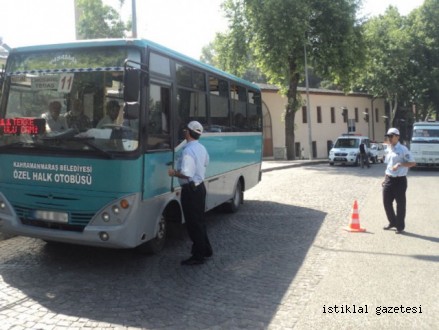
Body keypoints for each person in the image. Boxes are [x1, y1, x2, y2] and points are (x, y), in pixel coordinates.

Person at [168, 121, 212, 265]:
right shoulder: (201, 148)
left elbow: (187, 173)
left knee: (193, 224)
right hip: (200, 188)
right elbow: (206, 163)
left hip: (191, 190)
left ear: (188, 132)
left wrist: (174, 173)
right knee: (200, 221)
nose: (184, 132)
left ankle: (198, 255)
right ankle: (206, 249)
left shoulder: (187, 151)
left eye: (185, 130)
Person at [382, 128, 416, 234]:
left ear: (397, 137)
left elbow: (412, 163)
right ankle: (392, 222)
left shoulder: (403, 149)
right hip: (389, 178)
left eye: (391, 136)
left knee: (400, 204)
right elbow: (388, 166)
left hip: (400, 180)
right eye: (388, 136)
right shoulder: (388, 148)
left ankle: (400, 226)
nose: (389, 138)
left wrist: (400, 164)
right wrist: (385, 178)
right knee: (386, 202)